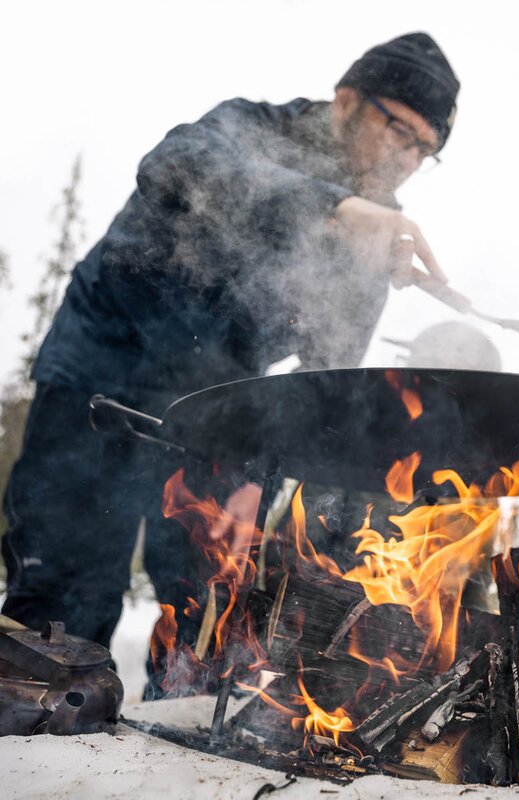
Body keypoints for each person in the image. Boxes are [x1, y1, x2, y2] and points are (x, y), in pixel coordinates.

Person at [1, 33, 461, 656]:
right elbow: (173, 165)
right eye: (399, 130)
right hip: (104, 376)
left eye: (425, 150)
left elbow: (324, 385)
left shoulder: (371, 237)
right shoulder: (252, 128)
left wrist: (279, 485)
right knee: (64, 589)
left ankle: (172, 745)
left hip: (215, 411)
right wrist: (335, 208)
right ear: (348, 101)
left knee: (206, 605)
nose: (407, 158)